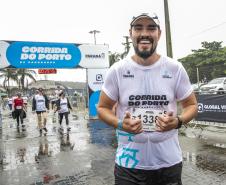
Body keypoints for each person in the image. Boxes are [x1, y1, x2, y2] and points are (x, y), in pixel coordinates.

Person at [97, 13, 198, 185]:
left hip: (168, 164)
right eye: (138, 28)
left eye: (151, 28)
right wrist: (120, 124)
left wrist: (178, 121)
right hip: (129, 165)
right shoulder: (118, 70)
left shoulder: (175, 68)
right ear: (131, 33)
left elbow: (192, 105)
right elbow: (102, 108)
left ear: (159, 34)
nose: (145, 33)